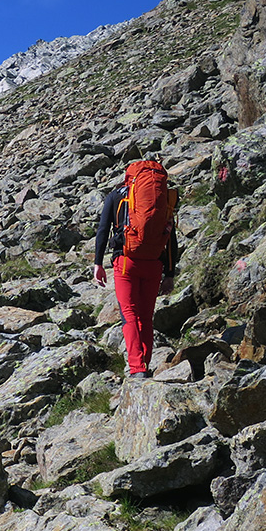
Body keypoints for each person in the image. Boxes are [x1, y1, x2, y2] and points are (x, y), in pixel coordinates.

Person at [93, 162, 179, 378]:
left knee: (129, 315)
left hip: (126, 263)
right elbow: (171, 238)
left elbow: (103, 230)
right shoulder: (163, 198)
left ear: (128, 178)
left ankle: (137, 368)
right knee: (146, 317)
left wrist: (98, 263)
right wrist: (169, 274)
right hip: (154, 263)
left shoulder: (116, 196)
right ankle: (145, 365)